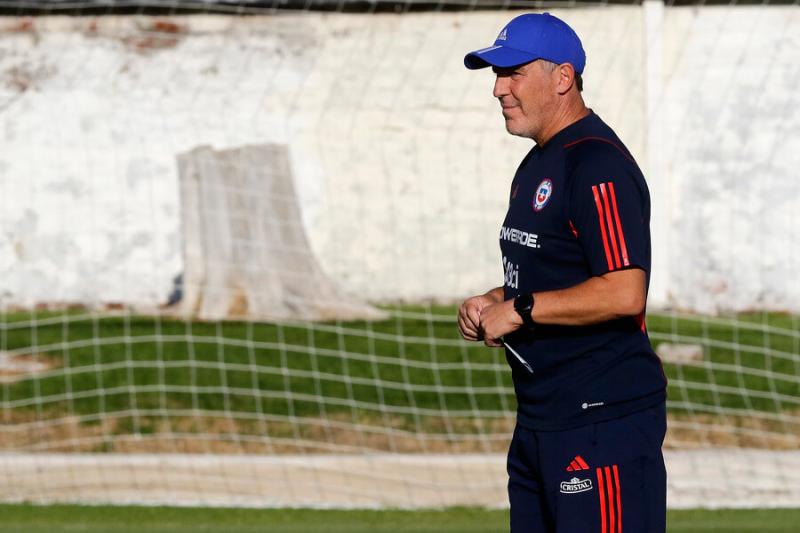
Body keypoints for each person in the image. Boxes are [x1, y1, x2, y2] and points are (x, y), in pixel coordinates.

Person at [457, 13, 668, 533]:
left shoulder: (597, 164)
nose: (499, 89)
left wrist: (522, 310)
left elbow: (624, 291)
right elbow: (556, 271)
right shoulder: (537, 163)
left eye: (513, 73)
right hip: (540, 419)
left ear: (563, 78)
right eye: (496, 75)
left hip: (601, 422)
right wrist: (496, 298)